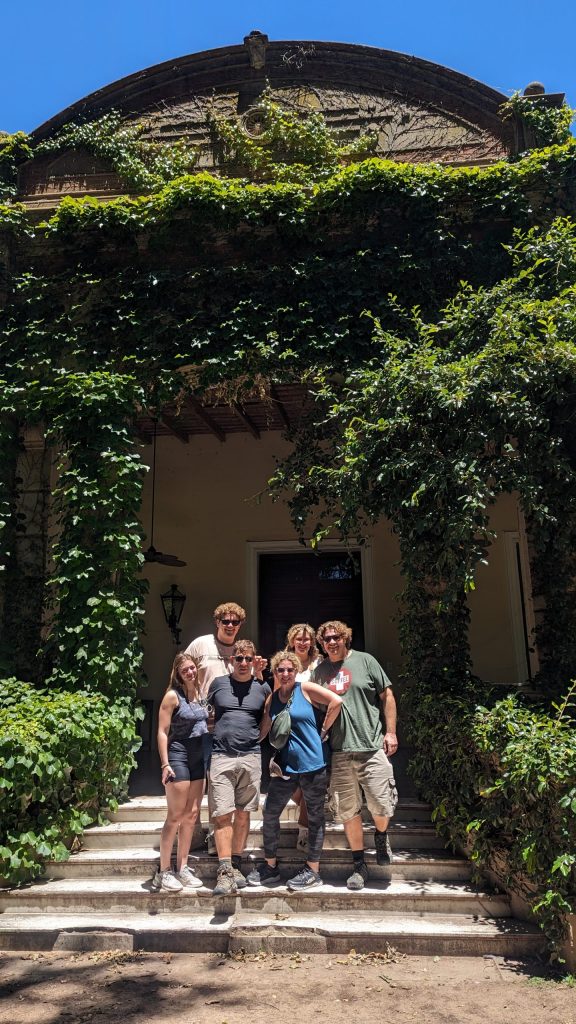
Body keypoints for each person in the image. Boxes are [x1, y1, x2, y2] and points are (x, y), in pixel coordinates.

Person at [314, 620, 398, 891]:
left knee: (381, 804)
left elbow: (387, 696)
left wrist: (391, 732)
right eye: (326, 639)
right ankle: (358, 864)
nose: (331, 642)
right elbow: (315, 705)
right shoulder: (320, 671)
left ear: (346, 638)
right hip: (339, 752)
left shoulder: (366, 661)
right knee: (348, 810)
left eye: (336, 637)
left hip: (371, 746)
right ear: (322, 644)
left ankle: (381, 835)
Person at [248, 649, 342, 890]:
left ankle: (313, 870)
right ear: (275, 672)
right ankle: (270, 867)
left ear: (296, 671)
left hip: (313, 766)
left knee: (315, 817)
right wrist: (245, 743)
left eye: (290, 669)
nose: (286, 673)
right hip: (286, 768)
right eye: (281, 669)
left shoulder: (306, 689)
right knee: (270, 813)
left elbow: (336, 701)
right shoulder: (273, 698)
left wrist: (324, 731)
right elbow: (265, 729)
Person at [208, 638, 271, 896]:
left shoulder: (263, 688)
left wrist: (259, 737)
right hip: (222, 756)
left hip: (250, 757)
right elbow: (207, 712)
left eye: (248, 658)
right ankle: (224, 872)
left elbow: (267, 717)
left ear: (254, 660)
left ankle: (235, 864)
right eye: (239, 658)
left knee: (244, 813)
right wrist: (217, 732)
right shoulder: (218, 684)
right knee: (223, 814)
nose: (243, 663)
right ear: (231, 660)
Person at [152, 653, 209, 892]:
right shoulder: (172, 696)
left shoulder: (200, 694)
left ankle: (182, 867)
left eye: (192, 668)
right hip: (178, 754)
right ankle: (163, 872)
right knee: (175, 815)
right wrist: (165, 764)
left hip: (199, 756)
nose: (190, 672)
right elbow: (163, 731)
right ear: (177, 672)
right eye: (185, 669)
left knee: (192, 815)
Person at [285, 623, 323, 853]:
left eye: (306, 638)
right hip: (289, 726)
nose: (302, 642)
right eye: (298, 638)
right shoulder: (285, 664)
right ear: (291, 641)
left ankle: (304, 831)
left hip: (314, 724)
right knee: (290, 780)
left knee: (310, 779)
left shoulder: (320, 665)